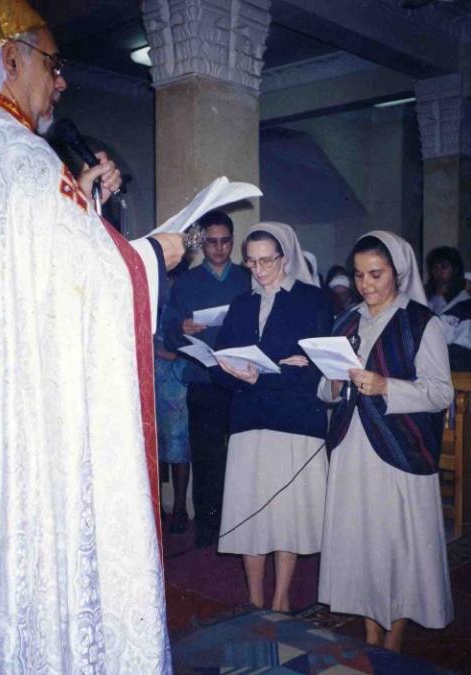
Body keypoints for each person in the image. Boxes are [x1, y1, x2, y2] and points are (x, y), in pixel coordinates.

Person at [0, 2, 184, 670]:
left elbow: (39, 285)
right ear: (10, 56)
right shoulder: (21, 159)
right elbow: (90, 285)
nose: (61, 83)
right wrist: (153, 256)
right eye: (52, 64)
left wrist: (86, 205)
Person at [318, 231, 453, 652]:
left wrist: (386, 386)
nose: (365, 284)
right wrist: (336, 386)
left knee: (396, 545)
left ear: (399, 271)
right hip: (352, 447)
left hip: (399, 450)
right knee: (360, 541)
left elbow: (440, 392)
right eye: (359, 275)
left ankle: (391, 640)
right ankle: (371, 634)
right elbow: (324, 390)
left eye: (375, 274)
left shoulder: (420, 322)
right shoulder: (346, 321)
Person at [213, 222, 333, 612]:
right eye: (251, 263)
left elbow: (315, 368)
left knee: (287, 512)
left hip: (294, 421)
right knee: (249, 509)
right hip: (249, 419)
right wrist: (236, 370)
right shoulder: (241, 304)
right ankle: (253, 597)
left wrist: (264, 373)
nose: (259, 270)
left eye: (267, 261)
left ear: (285, 258)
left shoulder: (313, 300)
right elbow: (219, 364)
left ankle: (280, 597)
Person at [163, 210, 251, 547]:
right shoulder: (186, 283)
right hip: (203, 378)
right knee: (206, 456)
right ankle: (208, 526)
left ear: (233, 241)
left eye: (225, 241)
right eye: (211, 242)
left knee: (242, 454)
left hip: (242, 377)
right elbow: (169, 332)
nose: (218, 248)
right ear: (203, 244)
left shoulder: (246, 279)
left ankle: (240, 524)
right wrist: (180, 327)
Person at [155, 258, 192, 534]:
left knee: (179, 442)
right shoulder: (147, 285)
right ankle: (154, 509)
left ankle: (179, 508)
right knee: (151, 443)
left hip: (177, 376)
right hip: (150, 373)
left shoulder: (186, 289)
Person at [425, 246, 471, 371]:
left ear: (455, 270)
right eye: (435, 267)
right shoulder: (424, 300)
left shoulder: (466, 305)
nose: (439, 271)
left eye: (444, 267)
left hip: (457, 370)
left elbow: (466, 347)